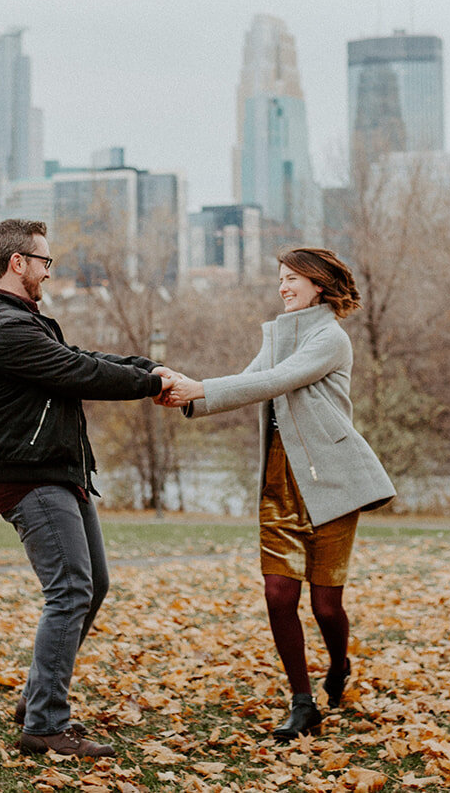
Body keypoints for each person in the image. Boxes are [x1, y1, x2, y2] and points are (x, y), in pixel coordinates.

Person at [158, 246, 395, 741]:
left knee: (326, 605)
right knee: (278, 594)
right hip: (278, 484)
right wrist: (185, 394)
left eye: (292, 279)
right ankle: (302, 701)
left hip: (330, 484)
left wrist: (199, 387)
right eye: (281, 279)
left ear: (319, 285)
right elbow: (249, 382)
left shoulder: (330, 338)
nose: (283, 287)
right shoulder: (279, 335)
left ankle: (338, 664)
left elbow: (278, 380)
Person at [0, 218, 174, 759]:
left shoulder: (21, 319)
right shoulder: (5, 326)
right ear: (19, 263)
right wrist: (150, 384)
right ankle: (44, 725)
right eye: (44, 262)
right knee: (70, 590)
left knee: (92, 584)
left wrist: (146, 366)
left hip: (57, 470)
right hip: (29, 474)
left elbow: (81, 359)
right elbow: (77, 373)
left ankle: (40, 697)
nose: (48, 272)